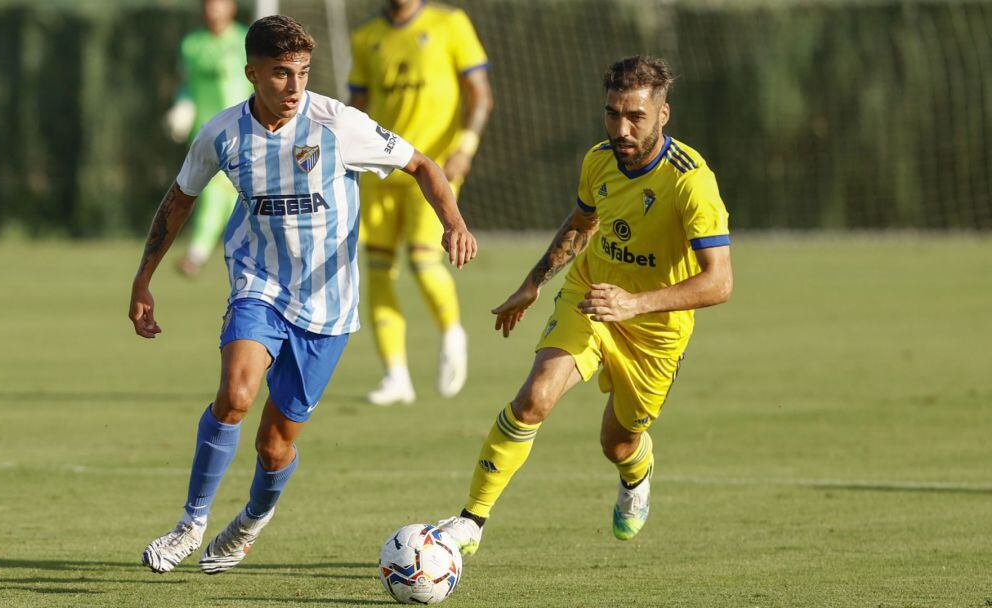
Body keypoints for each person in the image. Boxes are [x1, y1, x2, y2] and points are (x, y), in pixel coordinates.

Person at [129, 15, 477, 575]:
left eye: (303, 73)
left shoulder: (337, 124)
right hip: (258, 284)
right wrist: (143, 279)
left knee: (274, 445)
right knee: (236, 395)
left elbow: (422, 165)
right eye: (280, 74)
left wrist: (453, 221)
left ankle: (249, 522)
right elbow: (179, 200)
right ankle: (190, 523)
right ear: (252, 74)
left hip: (328, 304)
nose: (294, 88)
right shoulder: (221, 134)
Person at [436, 56, 733, 555]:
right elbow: (582, 223)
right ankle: (471, 522)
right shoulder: (598, 159)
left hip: (654, 330)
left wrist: (635, 304)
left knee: (616, 444)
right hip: (591, 297)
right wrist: (532, 283)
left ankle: (637, 473)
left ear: (663, 115)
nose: (621, 127)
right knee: (534, 397)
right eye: (612, 113)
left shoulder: (691, 182)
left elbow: (719, 283)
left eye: (635, 116)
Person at [348, 0, 493, 405]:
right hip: (380, 170)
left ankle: (451, 334)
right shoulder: (365, 37)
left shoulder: (450, 23)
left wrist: (467, 145)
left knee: (422, 258)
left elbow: (479, 96)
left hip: (432, 169)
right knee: (377, 268)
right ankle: (396, 376)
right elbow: (356, 108)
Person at [165, 0, 253, 277]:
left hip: (242, 128)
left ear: (232, 7)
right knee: (217, 191)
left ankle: (200, 253)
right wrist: (182, 107)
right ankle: (203, 252)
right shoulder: (192, 45)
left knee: (226, 194)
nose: (212, 8)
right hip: (205, 131)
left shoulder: (245, 41)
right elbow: (187, 85)